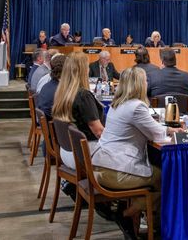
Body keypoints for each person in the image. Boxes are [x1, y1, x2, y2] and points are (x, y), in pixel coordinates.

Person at [90, 67, 179, 237]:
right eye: (145, 81)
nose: (147, 83)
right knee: (167, 178)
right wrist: (171, 131)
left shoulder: (117, 104)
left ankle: (143, 219)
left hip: (102, 165)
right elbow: (156, 134)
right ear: (139, 84)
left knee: (158, 175)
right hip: (116, 171)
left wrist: (165, 129)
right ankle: (129, 216)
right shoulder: (136, 107)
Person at [52, 52, 105, 169]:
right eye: (87, 66)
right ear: (82, 70)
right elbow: (99, 132)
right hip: (84, 154)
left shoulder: (62, 92)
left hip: (66, 152)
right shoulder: (83, 96)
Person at [36, 54, 65, 118]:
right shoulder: (58, 90)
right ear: (66, 70)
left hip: (47, 120)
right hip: (52, 122)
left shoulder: (46, 85)